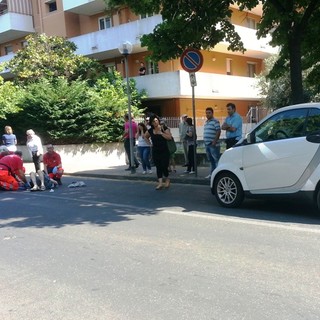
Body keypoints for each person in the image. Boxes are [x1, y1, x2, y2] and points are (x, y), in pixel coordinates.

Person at [144, 115, 172, 190]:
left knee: (164, 166)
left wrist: (161, 133)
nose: (155, 122)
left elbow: (169, 137)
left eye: (156, 120)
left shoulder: (164, 128)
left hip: (164, 150)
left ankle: (167, 179)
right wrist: (150, 144)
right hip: (155, 151)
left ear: (158, 121)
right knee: (158, 166)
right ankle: (160, 183)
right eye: (153, 121)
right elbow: (145, 137)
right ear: (151, 123)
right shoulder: (150, 130)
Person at [203, 107, 221, 179]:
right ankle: (212, 174)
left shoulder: (215, 121)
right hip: (207, 144)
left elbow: (218, 131)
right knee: (211, 160)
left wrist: (214, 141)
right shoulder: (206, 122)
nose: (207, 114)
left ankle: (218, 176)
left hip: (213, 144)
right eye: (206, 113)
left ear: (212, 113)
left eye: (209, 113)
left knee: (216, 160)